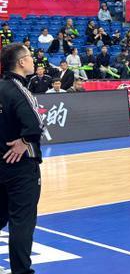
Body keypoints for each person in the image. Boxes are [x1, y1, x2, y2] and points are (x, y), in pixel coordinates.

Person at [0, 43, 44, 274]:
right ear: (21, 62)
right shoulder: (19, 90)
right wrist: (25, 141)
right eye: (30, 57)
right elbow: (36, 125)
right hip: (20, 168)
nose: (33, 60)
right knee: (22, 223)